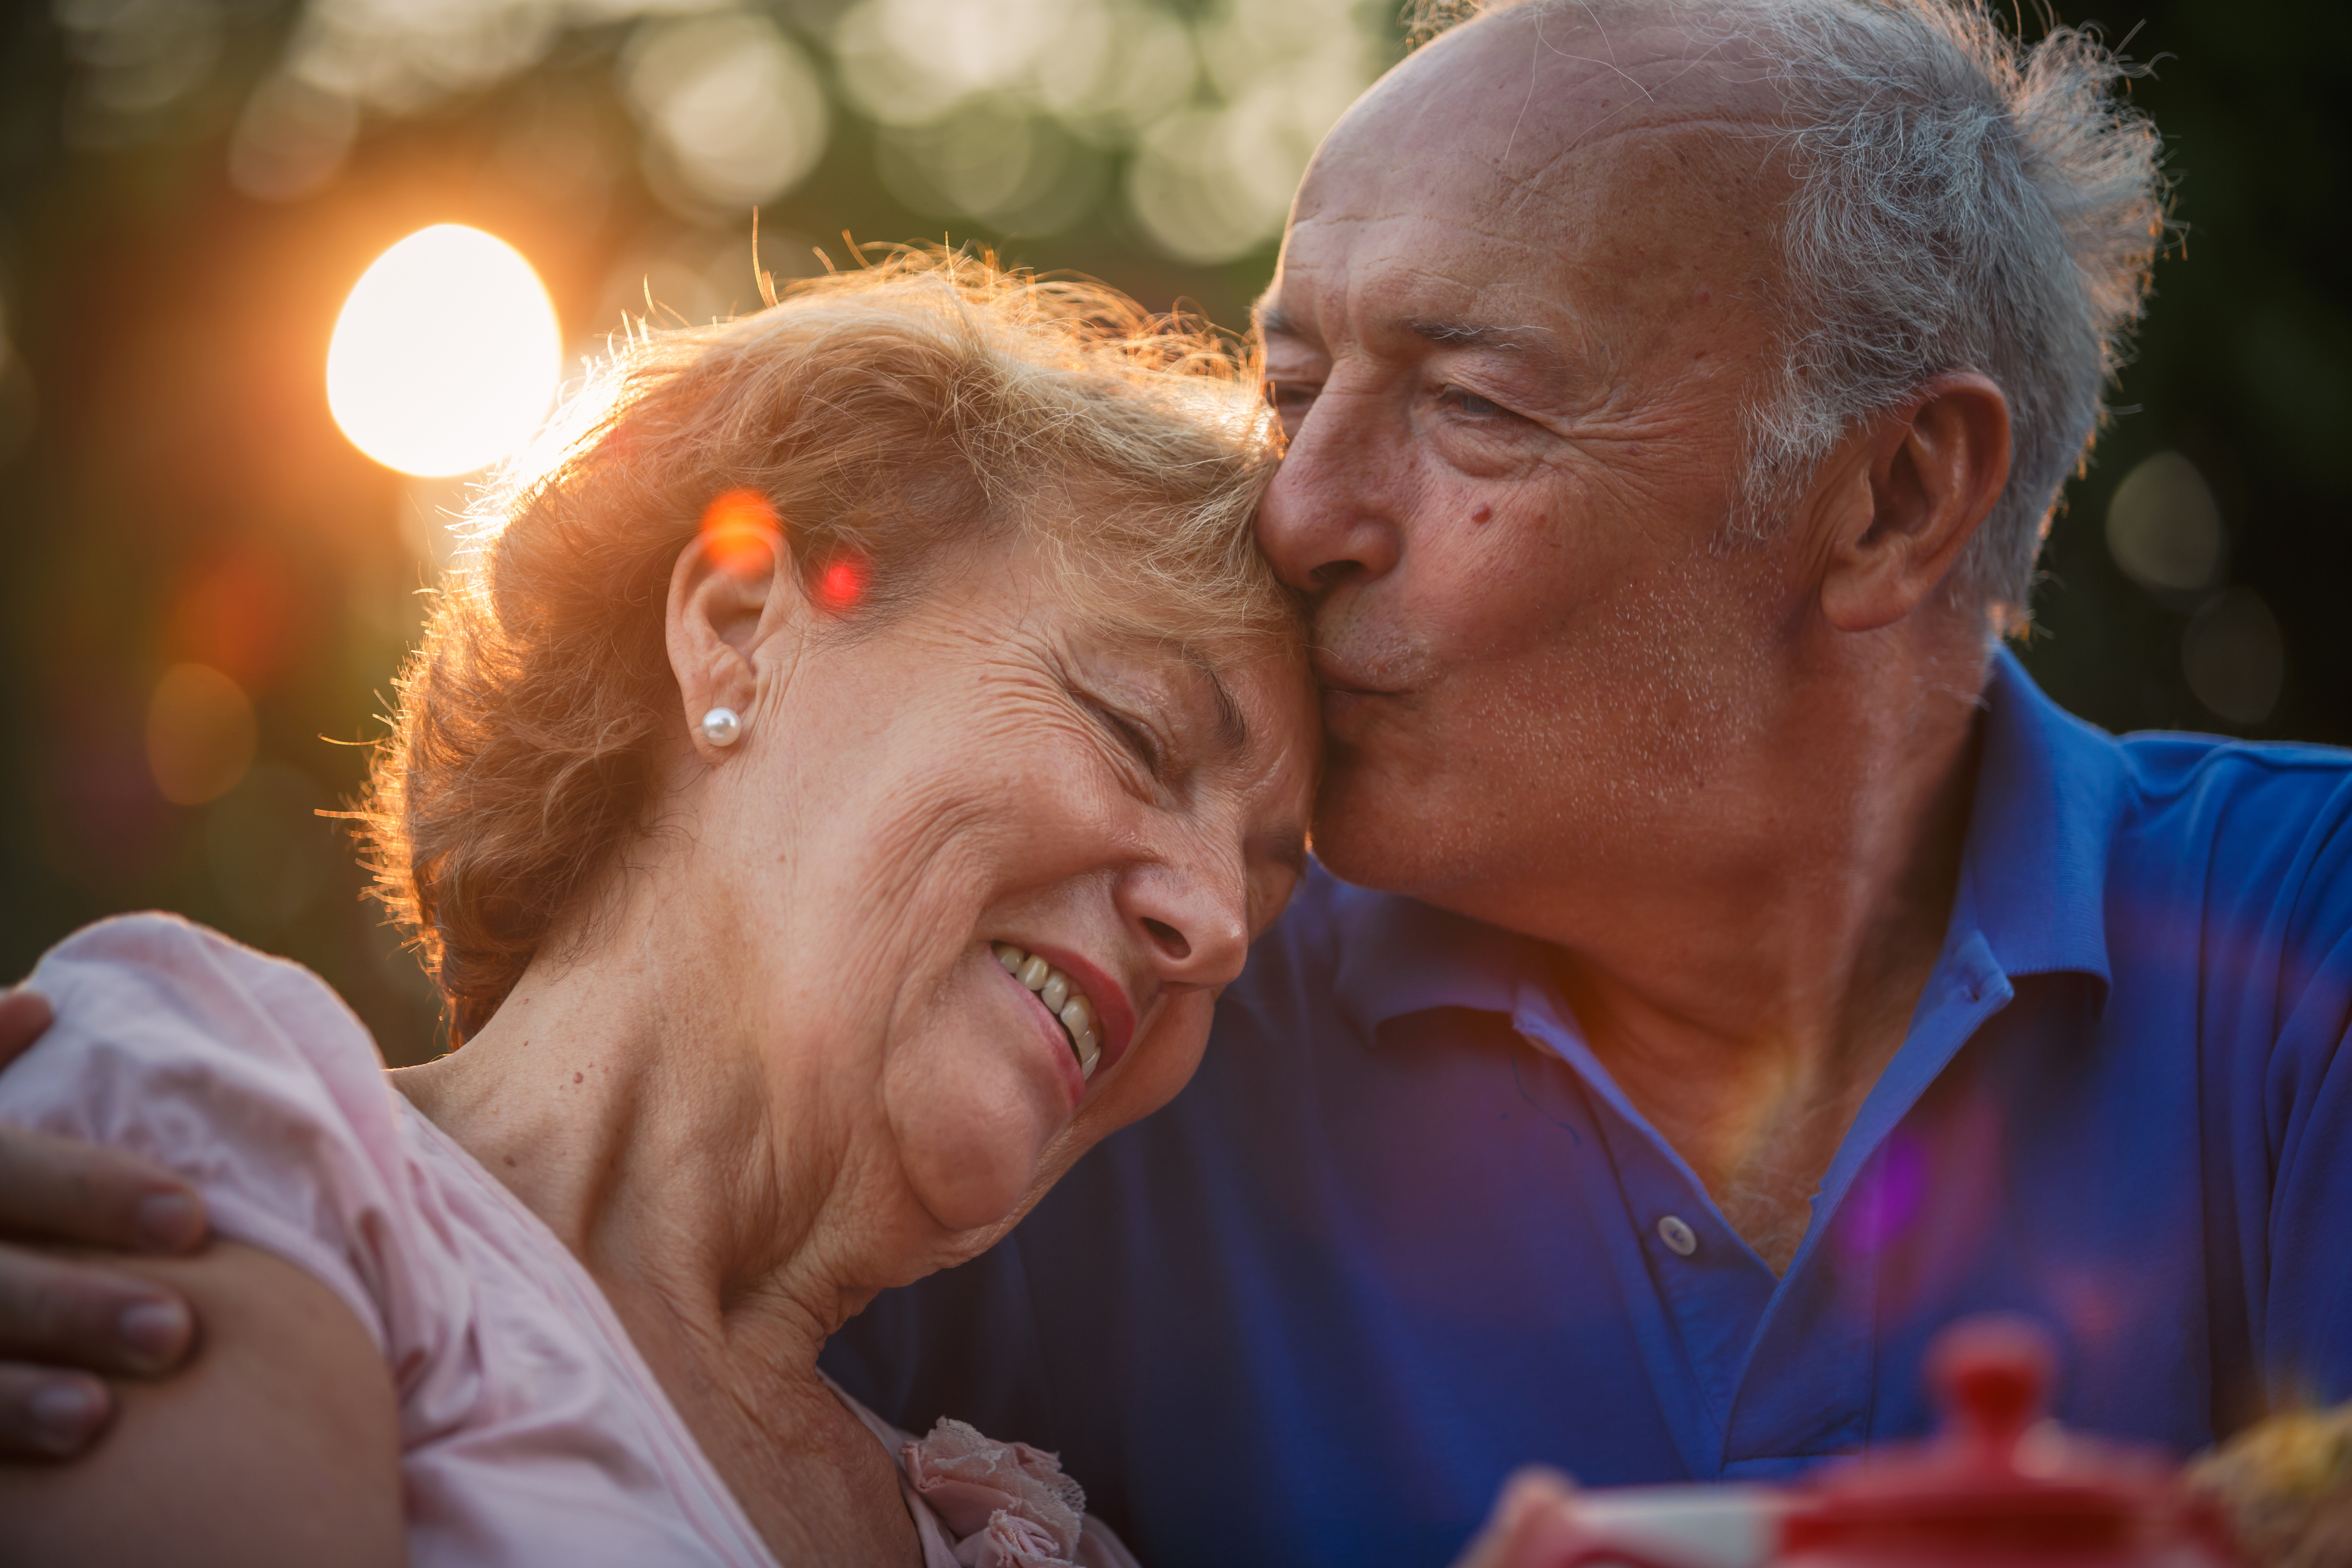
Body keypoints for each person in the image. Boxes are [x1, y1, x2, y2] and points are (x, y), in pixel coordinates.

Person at [5, 0, 2349, 1563]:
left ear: (1889, 502)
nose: (1309, 505)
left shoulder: (2298, 940)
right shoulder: (1075, 1078)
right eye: (1294, 369)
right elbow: (560, 1219)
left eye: (1472, 401)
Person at [0, 256, 1317, 1564]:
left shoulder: (1031, 1541)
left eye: (1262, 888)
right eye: (1135, 732)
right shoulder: (217, 1133)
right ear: (736, 629)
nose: (1215, 927)